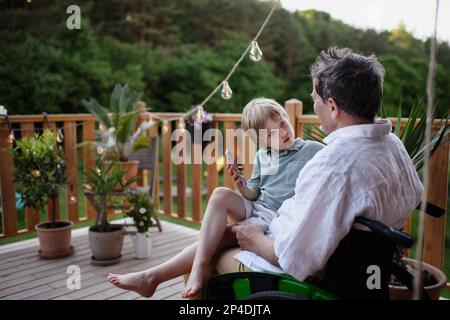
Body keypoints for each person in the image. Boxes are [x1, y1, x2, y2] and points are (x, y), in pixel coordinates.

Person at [230, 47, 424, 290]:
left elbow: (293, 259)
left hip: (307, 274)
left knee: (212, 264)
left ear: (332, 106)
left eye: (315, 100)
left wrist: (255, 240)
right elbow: (416, 194)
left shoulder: (333, 166)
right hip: (368, 272)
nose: (314, 107)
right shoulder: (392, 143)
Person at [107, 98, 324, 298]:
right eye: (270, 134)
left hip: (275, 218)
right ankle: (181, 272)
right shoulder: (262, 156)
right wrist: (241, 185)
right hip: (258, 208)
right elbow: (255, 193)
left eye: (282, 124)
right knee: (220, 193)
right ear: (260, 141)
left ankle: (154, 277)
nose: (281, 132)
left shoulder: (311, 149)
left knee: (218, 237)